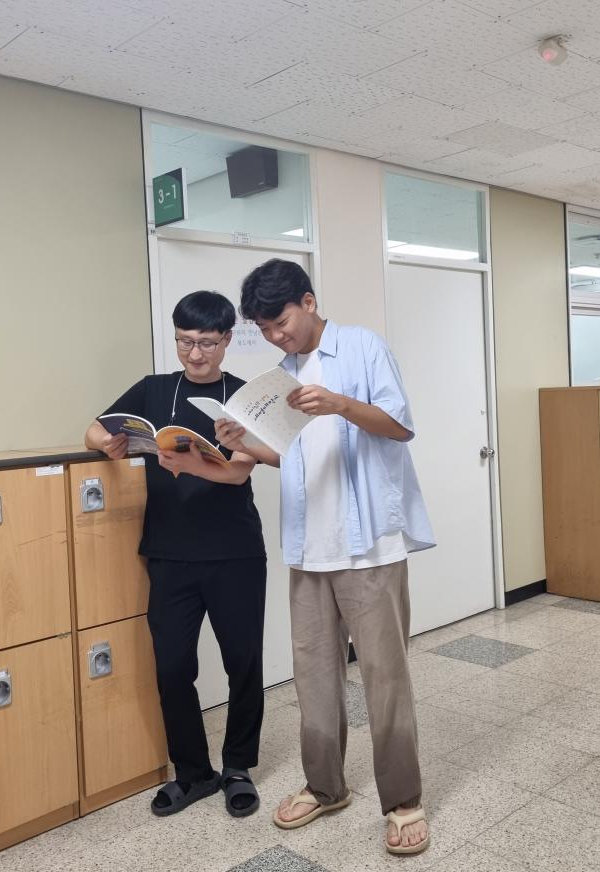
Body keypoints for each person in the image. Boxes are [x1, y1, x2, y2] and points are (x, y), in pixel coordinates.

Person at [215, 259, 434, 855]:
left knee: (384, 678)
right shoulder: (280, 378)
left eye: (281, 323)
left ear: (308, 302)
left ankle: (403, 800)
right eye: (264, 329)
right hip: (309, 548)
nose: (276, 336)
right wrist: (245, 444)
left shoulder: (361, 347)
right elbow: (296, 457)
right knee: (313, 678)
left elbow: (400, 427)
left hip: (369, 547)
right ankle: (325, 786)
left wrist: (339, 403)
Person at [85, 291, 266, 819]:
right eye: (185, 342)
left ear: (227, 340)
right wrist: (106, 445)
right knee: (171, 668)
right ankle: (193, 772)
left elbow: (239, 471)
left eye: (206, 343)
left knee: (243, 664)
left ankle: (238, 767)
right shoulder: (154, 388)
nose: (195, 354)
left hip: (234, 553)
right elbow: (94, 428)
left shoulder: (244, 396)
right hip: (168, 553)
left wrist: (191, 465)